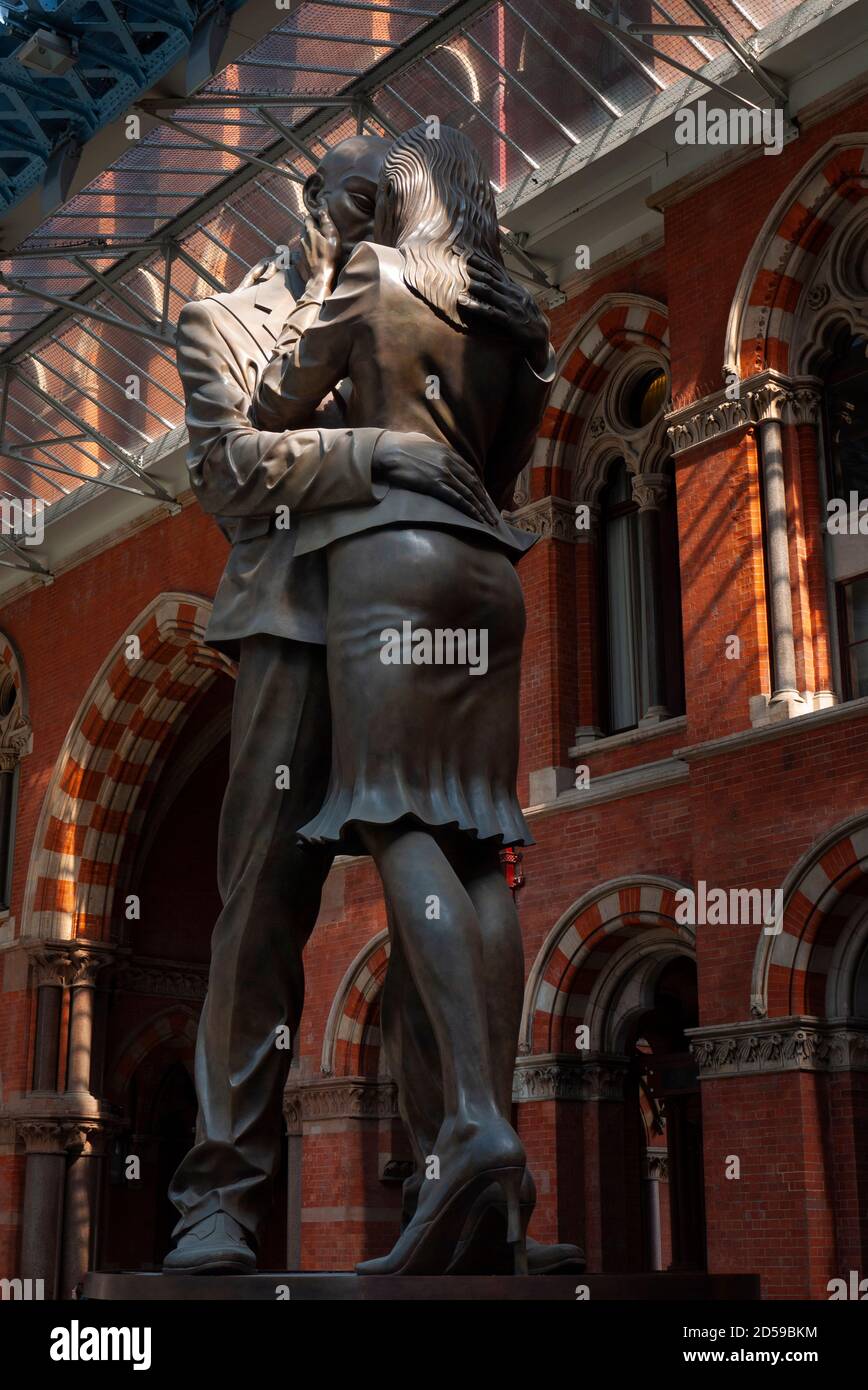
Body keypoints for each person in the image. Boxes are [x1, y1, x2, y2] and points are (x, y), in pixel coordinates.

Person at [164, 134, 523, 1274]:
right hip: (291, 621)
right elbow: (230, 469)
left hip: (412, 597)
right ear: (308, 206)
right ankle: (217, 1196)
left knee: (458, 855)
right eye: (337, 205)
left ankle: (466, 1188)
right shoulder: (220, 318)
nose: (350, 221)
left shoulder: (417, 286)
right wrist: (382, 452)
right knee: (262, 904)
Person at [253, 124, 552, 1275]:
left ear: (370, 203)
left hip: (393, 563)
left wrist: (337, 298)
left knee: (395, 814)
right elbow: (511, 458)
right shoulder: (514, 309)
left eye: (336, 206)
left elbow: (279, 403)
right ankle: (499, 1145)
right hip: (490, 573)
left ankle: (471, 1124)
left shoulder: (369, 278)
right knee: (479, 837)